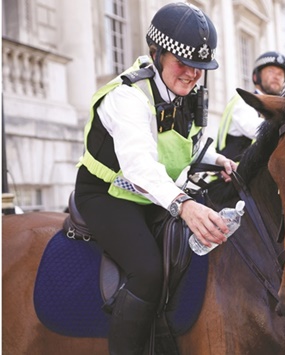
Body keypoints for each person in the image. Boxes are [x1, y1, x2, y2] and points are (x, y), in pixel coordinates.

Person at [73, 3, 236, 354]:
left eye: (200, 68)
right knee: (147, 271)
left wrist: (218, 160)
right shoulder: (127, 97)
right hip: (107, 196)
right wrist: (184, 205)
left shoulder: (182, 95)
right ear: (156, 54)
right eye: (183, 63)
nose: (193, 74)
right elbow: (140, 165)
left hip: (151, 195)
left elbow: (180, 148)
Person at [215, 51, 285, 161]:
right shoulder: (243, 101)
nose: (276, 77)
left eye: (280, 74)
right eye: (271, 71)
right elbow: (257, 130)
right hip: (231, 175)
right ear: (256, 77)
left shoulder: (280, 108)